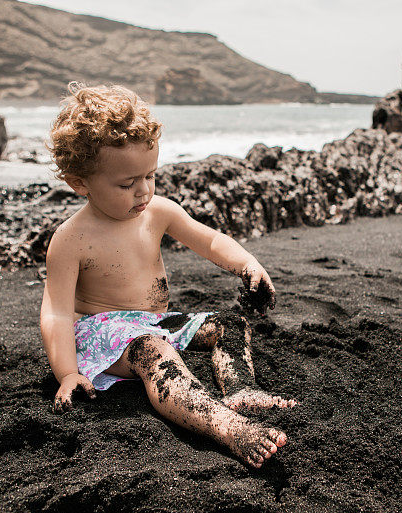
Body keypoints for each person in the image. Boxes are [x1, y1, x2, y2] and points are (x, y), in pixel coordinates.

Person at [40, 82, 297, 468]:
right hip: (104, 333)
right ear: (80, 183)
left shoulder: (158, 211)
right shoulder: (71, 239)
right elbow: (57, 313)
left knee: (228, 324)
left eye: (150, 175)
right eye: (127, 184)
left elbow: (209, 241)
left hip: (155, 321)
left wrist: (247, 264)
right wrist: (67, 373)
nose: (143, 191)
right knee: (155, 352)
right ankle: (226, 425)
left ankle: (241, 389)